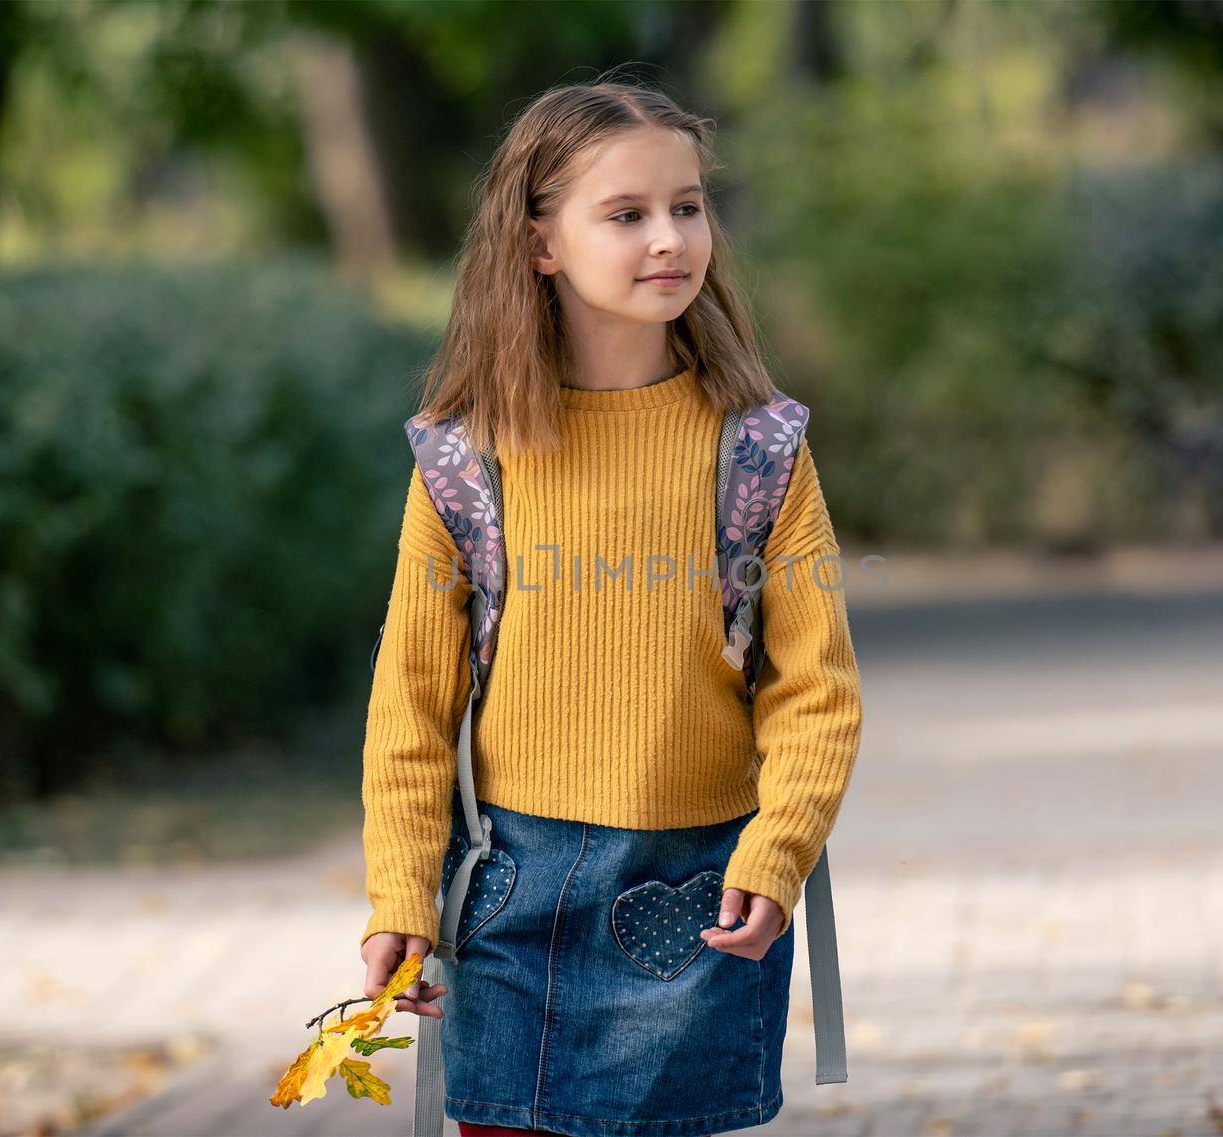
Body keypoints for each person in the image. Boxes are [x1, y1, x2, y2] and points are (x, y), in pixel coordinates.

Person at [357, 72, 863, 1137]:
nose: (669, 238)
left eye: (687, 206)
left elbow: (815, 690)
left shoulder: (759, 450)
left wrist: (779, 852)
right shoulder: (464, 462)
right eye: (626, 214)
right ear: (540, 242)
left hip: (704, 889)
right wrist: (399, 896)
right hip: (510, 895)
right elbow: (410, 704)